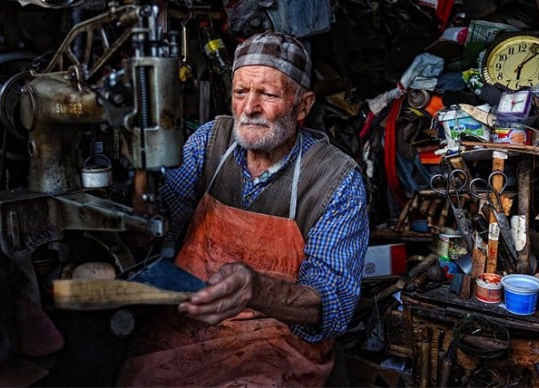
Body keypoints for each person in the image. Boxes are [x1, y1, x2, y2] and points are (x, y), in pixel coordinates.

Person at [117, 31, 370, 386]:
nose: (249, 108)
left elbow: (332, 305)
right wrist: (142, 176)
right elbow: (157, 229)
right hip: (187, 328)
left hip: (277, 343)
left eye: (267, 94)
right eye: (240, 92)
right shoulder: (209, 143)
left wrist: (257, 290)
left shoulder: (333, 179)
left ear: (302, 106)